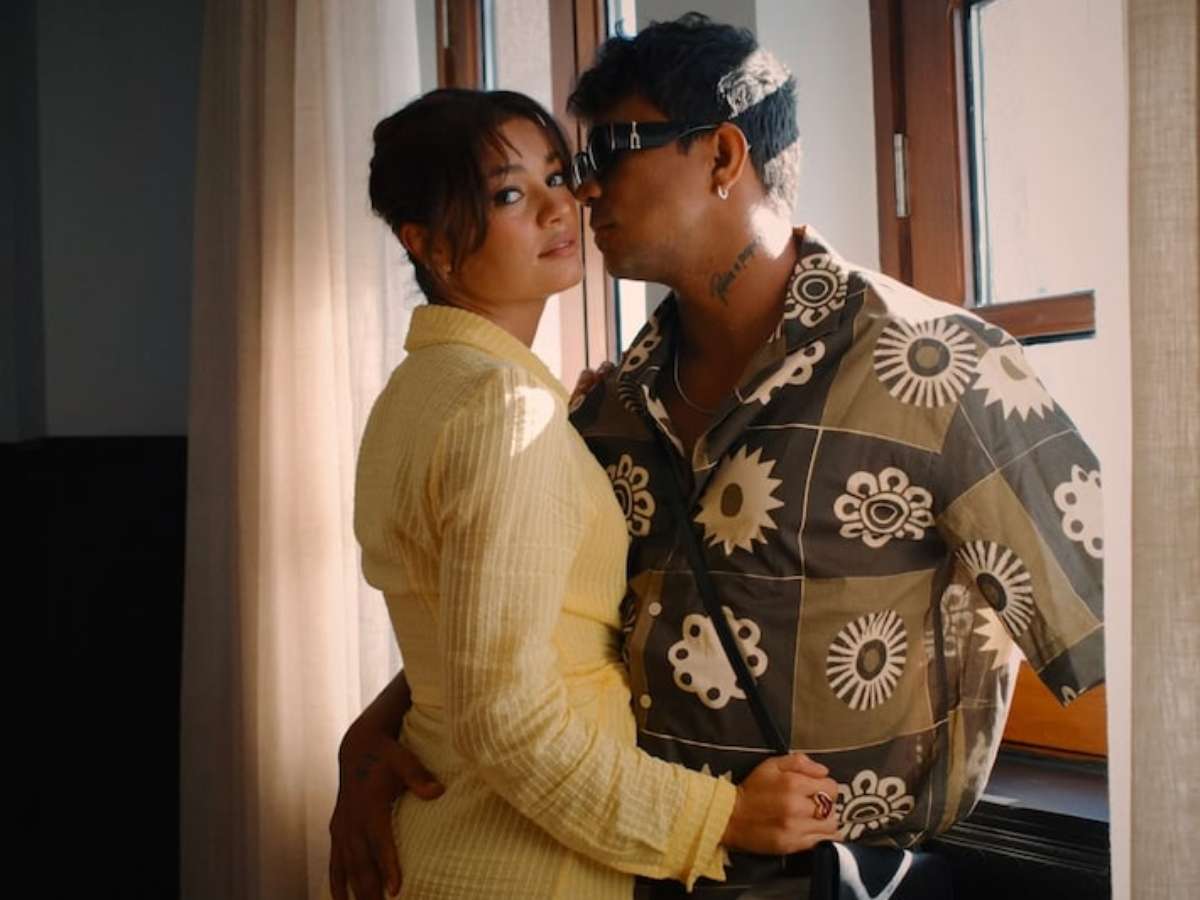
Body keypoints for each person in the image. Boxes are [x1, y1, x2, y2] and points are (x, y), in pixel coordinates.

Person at [333, 16, 1105, 899]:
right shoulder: (611, 405)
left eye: (609, 152)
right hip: (625, 868)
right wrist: (375, 734)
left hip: (834, 879)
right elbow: (516, 621)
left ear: (723, 155)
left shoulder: (941, 370)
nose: (583, 190)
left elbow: (1124, 636)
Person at [336, 86, 842, 900]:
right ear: (426, 244)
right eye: (508, 195)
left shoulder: (421, 392)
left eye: (555, 176)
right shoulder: (503, 407)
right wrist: (722, 817)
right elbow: (508, 719)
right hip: (515, 868)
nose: (558, 207)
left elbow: (466, 639)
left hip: (452, 840)